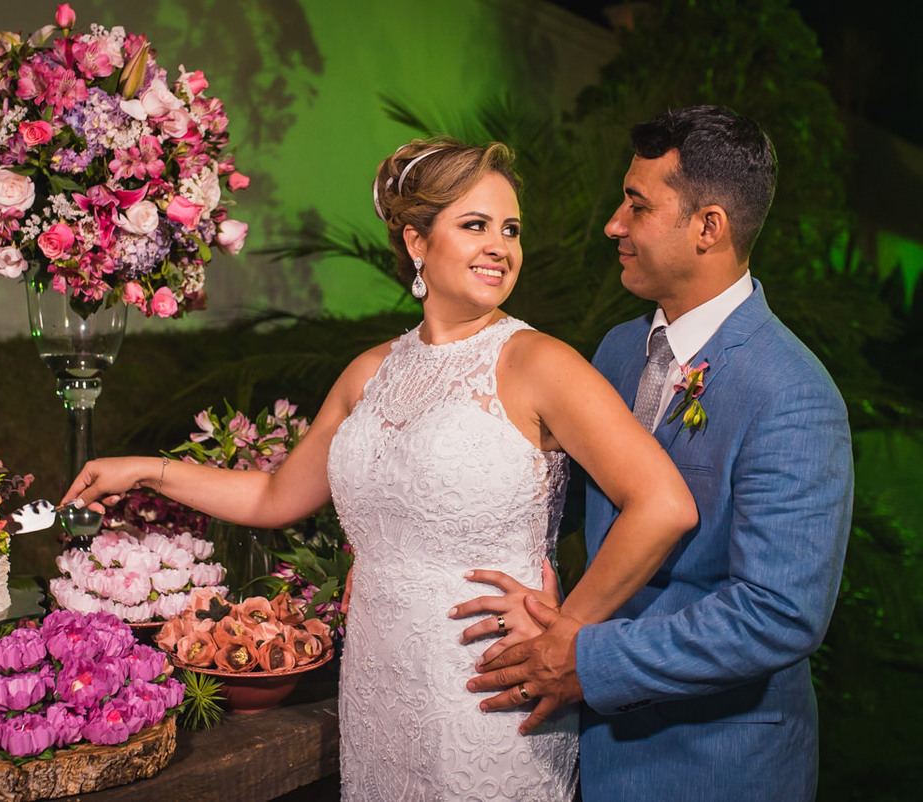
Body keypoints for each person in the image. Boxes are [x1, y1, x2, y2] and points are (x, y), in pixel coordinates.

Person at [62, 137, 697, 801]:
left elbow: (663, 504)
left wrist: (569, 631)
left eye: (510, 230)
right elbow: (276, 496)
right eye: (475, 225)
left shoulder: (538, 362)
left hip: (487, 692)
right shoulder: (370, 372)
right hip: (377, 693)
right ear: (417, 242)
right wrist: (147, 471)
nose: (500, 247)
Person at [460, 106, 854, 801]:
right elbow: (566, 508)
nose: (614, 224)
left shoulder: (792, 391)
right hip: (587, 747)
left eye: (637, 206)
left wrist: (589, 659)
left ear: (709, 227)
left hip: (710, 762)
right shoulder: (618, 349)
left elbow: (777, 613)